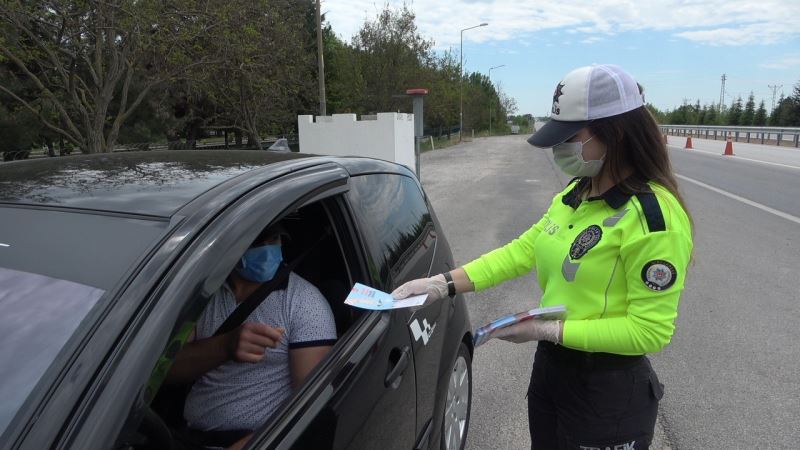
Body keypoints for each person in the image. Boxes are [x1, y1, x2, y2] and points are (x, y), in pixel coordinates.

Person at [392, 64, 693, 449]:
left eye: (570, 136)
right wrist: (443, 283)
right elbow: (522, 251)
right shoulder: (576, 194)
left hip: (607, 393)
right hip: (554, 372)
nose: (558, 148)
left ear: (613, 133)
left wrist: (546, 330)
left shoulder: (655, 218)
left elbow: (650, 331)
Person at [166, 222, 337, 448]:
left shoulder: (304, 302)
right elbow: (170, 371)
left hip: (258, 439)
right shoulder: (205, 297)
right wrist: (225, 347)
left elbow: (310, 405)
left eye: (274, 240)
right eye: (257, 242)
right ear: (231, 248)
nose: (268, 250)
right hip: (187, 435)